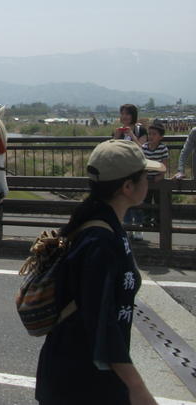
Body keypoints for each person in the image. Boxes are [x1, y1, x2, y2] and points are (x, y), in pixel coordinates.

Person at [35, 139, 164, 405]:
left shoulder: (102, 225)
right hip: (83, 382)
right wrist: (136, 387)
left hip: (77, 373)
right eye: (146, 176)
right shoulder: (100, 241)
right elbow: (101, 322)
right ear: (128, 187)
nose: (149, 182)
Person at [139, 121, 169, 232]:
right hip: (146, 178)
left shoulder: (163, 148)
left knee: (158, 200)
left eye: (154, 134)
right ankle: (146, 220)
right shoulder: (144, 147)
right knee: (146, 200)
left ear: (160, 137)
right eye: (149, 134)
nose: (151, 136)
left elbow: (164, 165)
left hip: (158, 179)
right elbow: (142, 163)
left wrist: (161, 176)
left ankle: (158, 221)